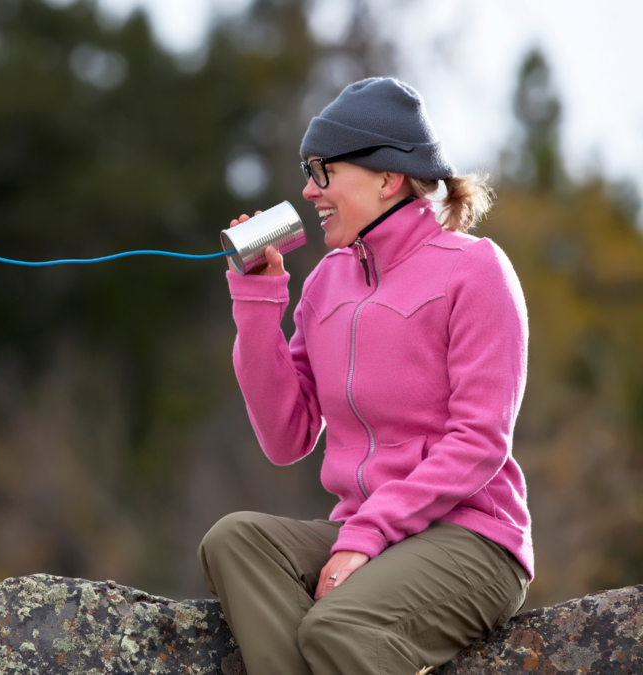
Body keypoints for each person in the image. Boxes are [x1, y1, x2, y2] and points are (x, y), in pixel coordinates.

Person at [199, 78, 531, 675]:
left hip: (472, 539)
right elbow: (286, 437)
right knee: (235, 540)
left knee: (338, 628)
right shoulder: (327, 280)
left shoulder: (476, 270)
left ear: (387, 178)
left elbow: (480, 441)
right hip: (366, 531)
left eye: (323, 171)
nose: (307, 190)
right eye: (308, 171)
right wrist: (256, 302)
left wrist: (366, 536)